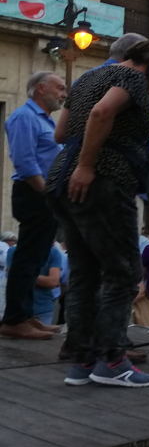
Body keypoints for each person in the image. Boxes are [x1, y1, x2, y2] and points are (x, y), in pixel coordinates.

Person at [45, 40, 149, 387]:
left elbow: (60, 133)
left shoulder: (88, 79)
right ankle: (113, 360)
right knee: (124, 271)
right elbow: (101, 114)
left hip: (60, 181)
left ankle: (82, 362)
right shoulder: (132, 80)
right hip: (102, 183)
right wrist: (87, 165)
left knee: (85, 274)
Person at [1, 71, 67, 340]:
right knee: (28, 258)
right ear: (41, 89)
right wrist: (47, 193)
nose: (64, 93)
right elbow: (26, 163)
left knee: (37, 257)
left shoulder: (46, 121)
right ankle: (15, 319)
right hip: (34, 194)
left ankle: (26, 316)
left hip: (43, 194)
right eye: (60, 88)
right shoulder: (24, 117)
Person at [7, 243, 62, 326]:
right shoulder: (14, 251)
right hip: (19, 310)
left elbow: (53, 282)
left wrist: (23, 275)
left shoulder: (53, 252)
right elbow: (14, 276)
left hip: (43, 308)